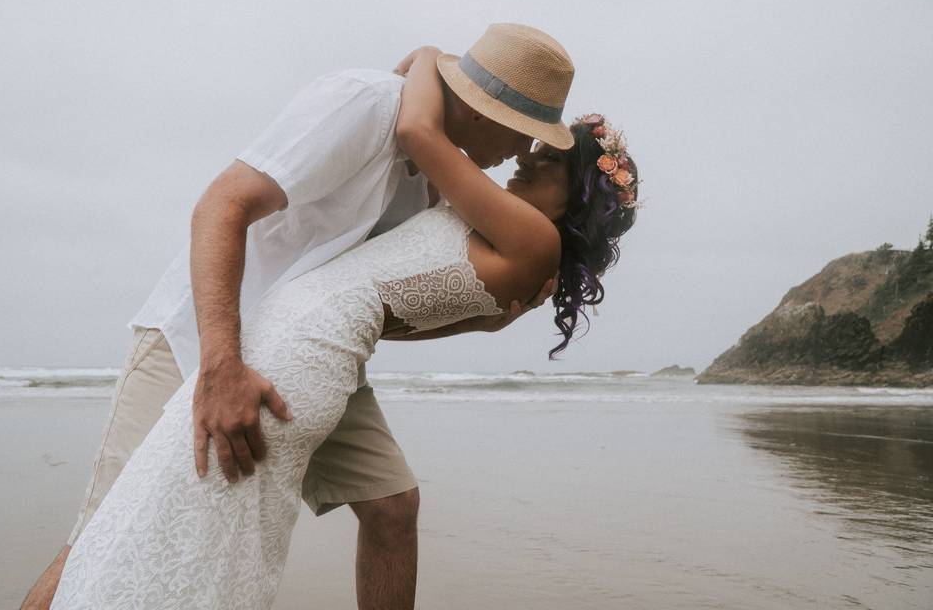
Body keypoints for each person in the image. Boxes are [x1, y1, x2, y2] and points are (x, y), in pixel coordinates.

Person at [49, 45, 640, 609]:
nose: (522, 152)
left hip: (311, 344)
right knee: (105, 536)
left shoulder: (460, 186)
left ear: (580, 197)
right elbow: (220, 207)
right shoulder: (376, 110)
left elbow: (386, 300)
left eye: (545, 154)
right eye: (522, 133)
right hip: (213, 327)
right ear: (482, 106)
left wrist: (430, 55)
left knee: (389, 508)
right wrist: (222, 365)